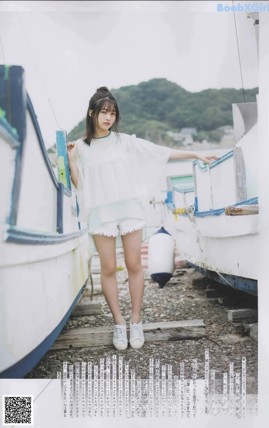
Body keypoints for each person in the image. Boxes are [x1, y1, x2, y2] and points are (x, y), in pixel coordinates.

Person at [67, 86, 217, 351]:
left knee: (135, 265)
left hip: (130, 211)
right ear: (91, 114)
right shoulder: (80, 147)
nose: (108, 118)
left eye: (112, 113)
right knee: (109, 268)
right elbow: (79, 185)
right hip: (101, 215)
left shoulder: (125, 141)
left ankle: (136, 322)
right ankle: (118, 323)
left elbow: (160, 152)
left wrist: (194, 153)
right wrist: (70, 160)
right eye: (103, 112)